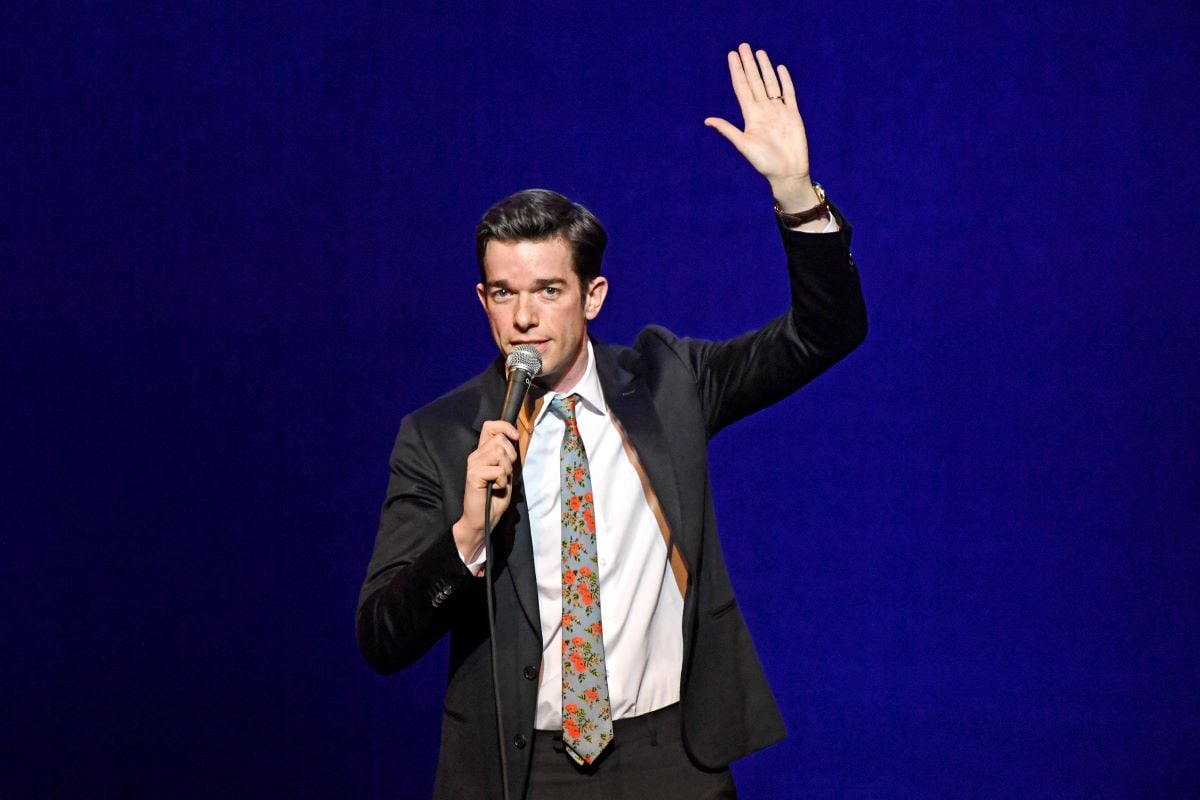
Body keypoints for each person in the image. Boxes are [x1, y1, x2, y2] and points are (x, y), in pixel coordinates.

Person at [357, 43, 867, 799]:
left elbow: (822, 334)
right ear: (482, 300)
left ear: (593, 297)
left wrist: (795, 193)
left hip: (671, 756)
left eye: (548, 291)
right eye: (503, 294)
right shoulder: (441, 436)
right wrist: (466, 538)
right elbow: (382, 640)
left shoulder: (669, 381)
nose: (524, 318)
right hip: (522, 768)